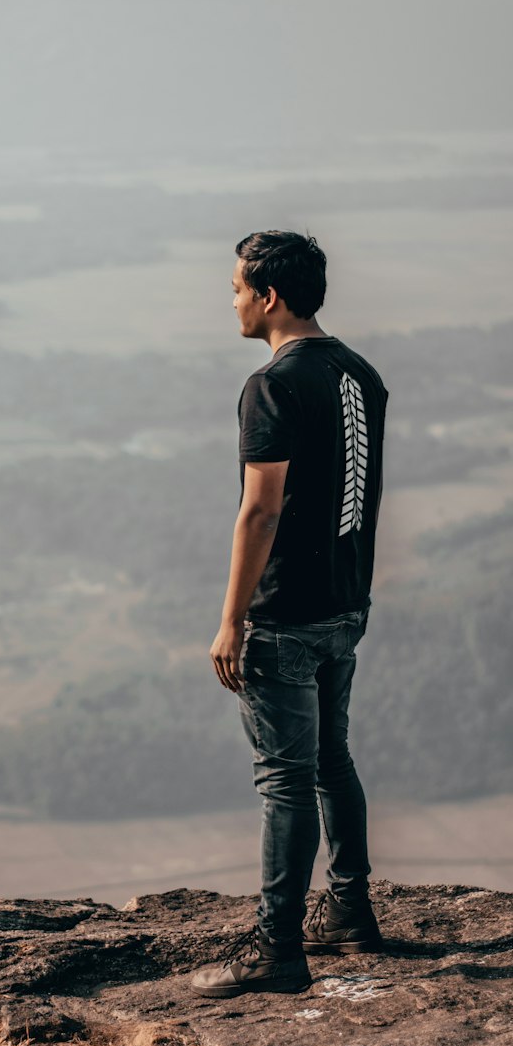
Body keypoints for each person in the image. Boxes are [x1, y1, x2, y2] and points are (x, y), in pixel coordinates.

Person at [191, 230, 388, 998]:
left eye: (237, 287)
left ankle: (277, 949)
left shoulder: (271, 385)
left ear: (269, 296)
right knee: (330, 759)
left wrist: (231, 620)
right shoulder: (358, 373)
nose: (232, 300)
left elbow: (259, 513)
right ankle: (349, 910)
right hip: (346, 604)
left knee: (284, 778)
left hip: (287, 614)